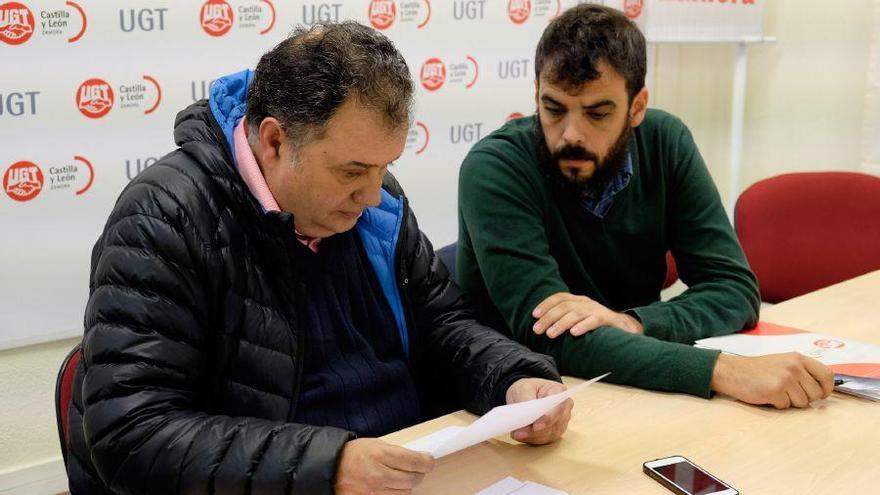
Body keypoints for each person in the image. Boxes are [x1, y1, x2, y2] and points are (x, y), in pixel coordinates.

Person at [66, 22, 572, 495]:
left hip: (410, 470)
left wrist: (511, 379)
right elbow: (131, 433)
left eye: (384, 167)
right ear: (274, 141)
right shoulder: (166, 216)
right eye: (352, 171)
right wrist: (328, 466)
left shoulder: (375, 203)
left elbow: (442, 325)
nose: (372, 194)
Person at [456, 4, 834, 410]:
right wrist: (723, 371)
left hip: (639, 391)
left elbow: (734, 290)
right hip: (524, 402)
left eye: (597, 113)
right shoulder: (495, 168)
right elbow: (552, 337)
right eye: (553, 109)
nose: (570, 134)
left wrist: (633, 321)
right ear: (536, 96)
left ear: (637, 108)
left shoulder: (665, 141)